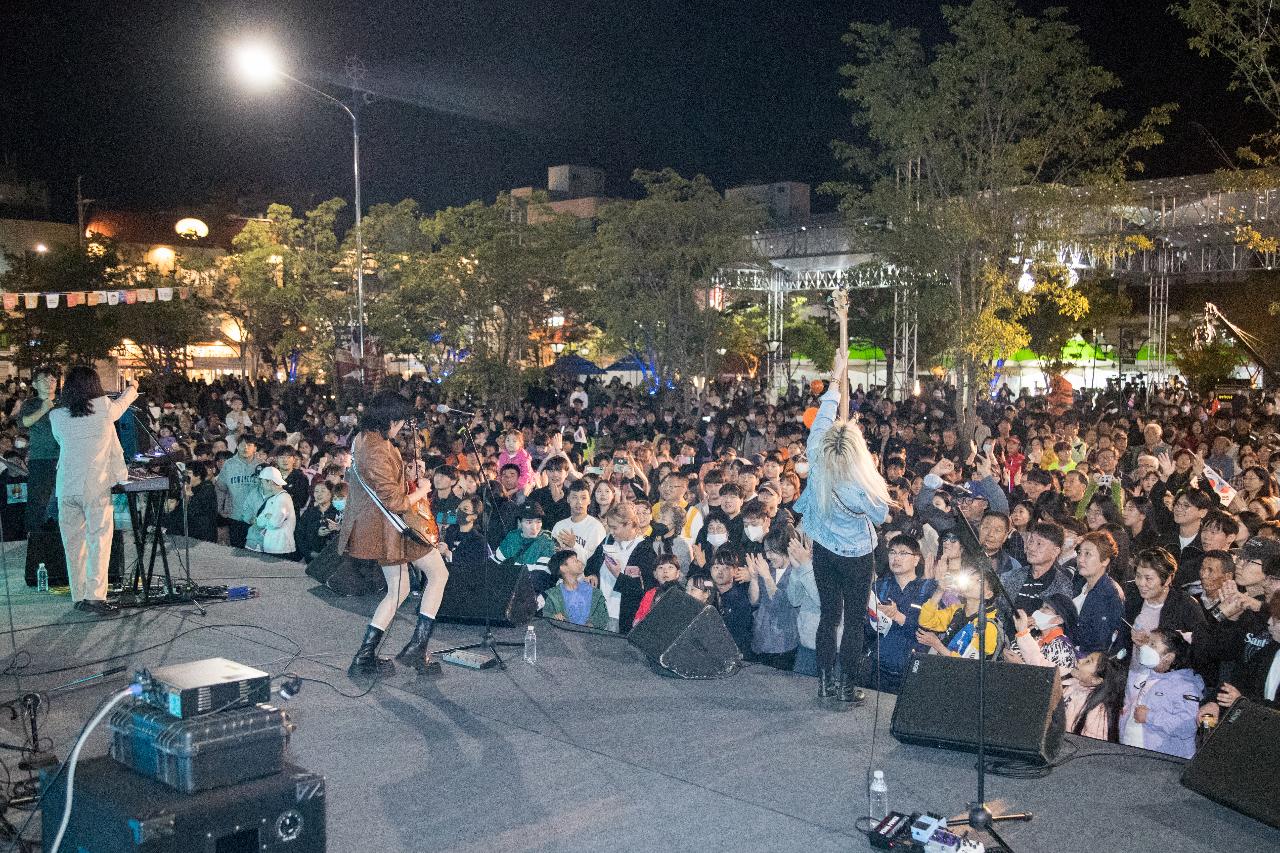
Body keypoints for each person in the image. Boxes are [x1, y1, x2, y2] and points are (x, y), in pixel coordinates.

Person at [793, 350, 891, 706]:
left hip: (823, 550)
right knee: (852, 621)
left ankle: (823, 682)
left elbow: (825, 415)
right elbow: (880, 516)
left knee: (828, 616)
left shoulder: (817, 451)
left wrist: (836, 376)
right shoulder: (860, 484)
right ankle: (847, 686)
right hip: (856, 556)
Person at [340, 392, 450, 674]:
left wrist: (408, 474)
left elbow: (384, 483)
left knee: (398, 590)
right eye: (400, 421)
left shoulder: (363, 439)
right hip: (392, 528)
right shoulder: (376, 448)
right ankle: (416, 648)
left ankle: (365, 656)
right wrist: (423, 490)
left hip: (384, 526)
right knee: (438, 574)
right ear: (390, 418)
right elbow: (395, 501)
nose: (401, 427)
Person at [48, 366, 138, 614]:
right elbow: (120, 407)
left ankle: (79, 595)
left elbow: (63, 441)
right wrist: (132, 389)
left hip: (66, 486)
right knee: (99, 539)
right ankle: (95, 597)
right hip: (94, 486)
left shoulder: (56, 416)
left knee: (73, 543)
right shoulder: (103, 409)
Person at [865, 533, 936, 693]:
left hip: (913, 671)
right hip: (879, 669)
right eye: (892, 552)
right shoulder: (879, 587)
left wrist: (899, 617)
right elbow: (866, 628)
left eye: (903, 553)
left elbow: (929, 630)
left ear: (916, 559)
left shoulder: (928, 589)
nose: (896, 558)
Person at [1120, 628, 1204, 758]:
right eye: (1148, 643)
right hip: (1130, 754)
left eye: (1153, 644)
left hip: (1163, 762)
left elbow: (1188, 725)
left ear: (1168, 657)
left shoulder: (1186, 686)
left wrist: (1150, 717)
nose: (1147, 647)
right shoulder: (1145, 674)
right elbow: (1136, 667)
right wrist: (1139, 646)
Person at [19, 367, 59, 573]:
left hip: (63, 458)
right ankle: (34, 542)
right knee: (38, 500)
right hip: (40, 458)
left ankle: (60, 539)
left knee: (62, 499)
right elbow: (24, 423)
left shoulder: (63, 403)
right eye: (44, 380)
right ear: (34, 384)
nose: (49, 383)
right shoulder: (30, 404)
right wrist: (44, 409)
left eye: (53, 379)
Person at [917, 568, 1003, 660]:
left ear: (988, 595)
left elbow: (969, 664)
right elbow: (926, 621)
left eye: (979, 581)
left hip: (958, 672)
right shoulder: (957, 610)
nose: (970, 582)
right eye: (970, 578)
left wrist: (937, 645)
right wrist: (940, 591)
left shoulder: (989, 625)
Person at [1072, 530, 1127, 653]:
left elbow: (1100, 645)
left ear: (1105, 560)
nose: (1080, 559)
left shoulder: (1109, 594)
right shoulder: (1080, 584)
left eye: (1087, 554)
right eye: (1079, 553)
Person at [541, 549, 610, 628]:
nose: (580, 563)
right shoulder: (553, 595)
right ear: (563, 568)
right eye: (575, 561)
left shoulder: (593, 592)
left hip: (589, 638)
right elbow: (546, 615)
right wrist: (554, 617)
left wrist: (590, 625)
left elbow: (603, 616)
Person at [217, 435, 260, 548]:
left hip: (256, 518)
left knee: (255, 552)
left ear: (255, 448)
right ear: (237, 446)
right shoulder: (229, 464)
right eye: (242, 445)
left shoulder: (261, 465)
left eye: (249, 445)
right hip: (235, 515)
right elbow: (221, 488)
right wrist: (220, 508)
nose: (245, 448)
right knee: (237, 550)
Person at [245, 466, 297, 558]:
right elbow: (260, 522)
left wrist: (268, 518)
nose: (261, 485)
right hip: (270, 546)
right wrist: (268, 517)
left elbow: (275, 523)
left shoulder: (284, 498)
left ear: (270, 481)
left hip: (282, 548)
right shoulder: (272, 499)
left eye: (263, 482)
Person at [296, 480, 340, 562]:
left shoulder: (337, 512)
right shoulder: (309, 512)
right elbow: (300, 534)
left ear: (331, 493)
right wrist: (309, 553)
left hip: (331, 559)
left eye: (323, 491)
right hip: (311, 558)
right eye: (316, 491)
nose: (319, 494)